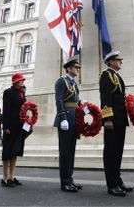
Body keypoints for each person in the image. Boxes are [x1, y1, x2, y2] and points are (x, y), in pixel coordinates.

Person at [100, 51, 133, 197]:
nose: (121, 61)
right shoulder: (106, 75)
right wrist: (107, 119)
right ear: (111, 61)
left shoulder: (117, 76)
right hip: (112, 121)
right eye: (118, 60)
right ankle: (111, 184)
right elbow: (106, 98)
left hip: (120, 119)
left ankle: (118, 180)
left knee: (118, 152)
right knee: (111, 152)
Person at [54, 58, 82, 192]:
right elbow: (59, 100)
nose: (77, 69)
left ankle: (70, 179)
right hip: (65, 120)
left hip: (74, 119)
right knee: (65, 152)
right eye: (76, 67)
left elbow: (75, 100)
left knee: (71, 151)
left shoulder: (74, 83)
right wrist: (62, 118)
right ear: (69, 69)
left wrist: (83, 105)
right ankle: (64, 182)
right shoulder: (62, 81)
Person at [0, 73, 28, 187]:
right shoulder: (8, 92)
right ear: (15, 82)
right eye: (21, 80)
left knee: (15, 152)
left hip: (19, 127)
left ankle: (12, 176)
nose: (22, 82)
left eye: (23, 80)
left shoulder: (22, 93)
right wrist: (6, 127)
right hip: (10, 127)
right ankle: (5, 178)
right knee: (7, 152)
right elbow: (6, 110)